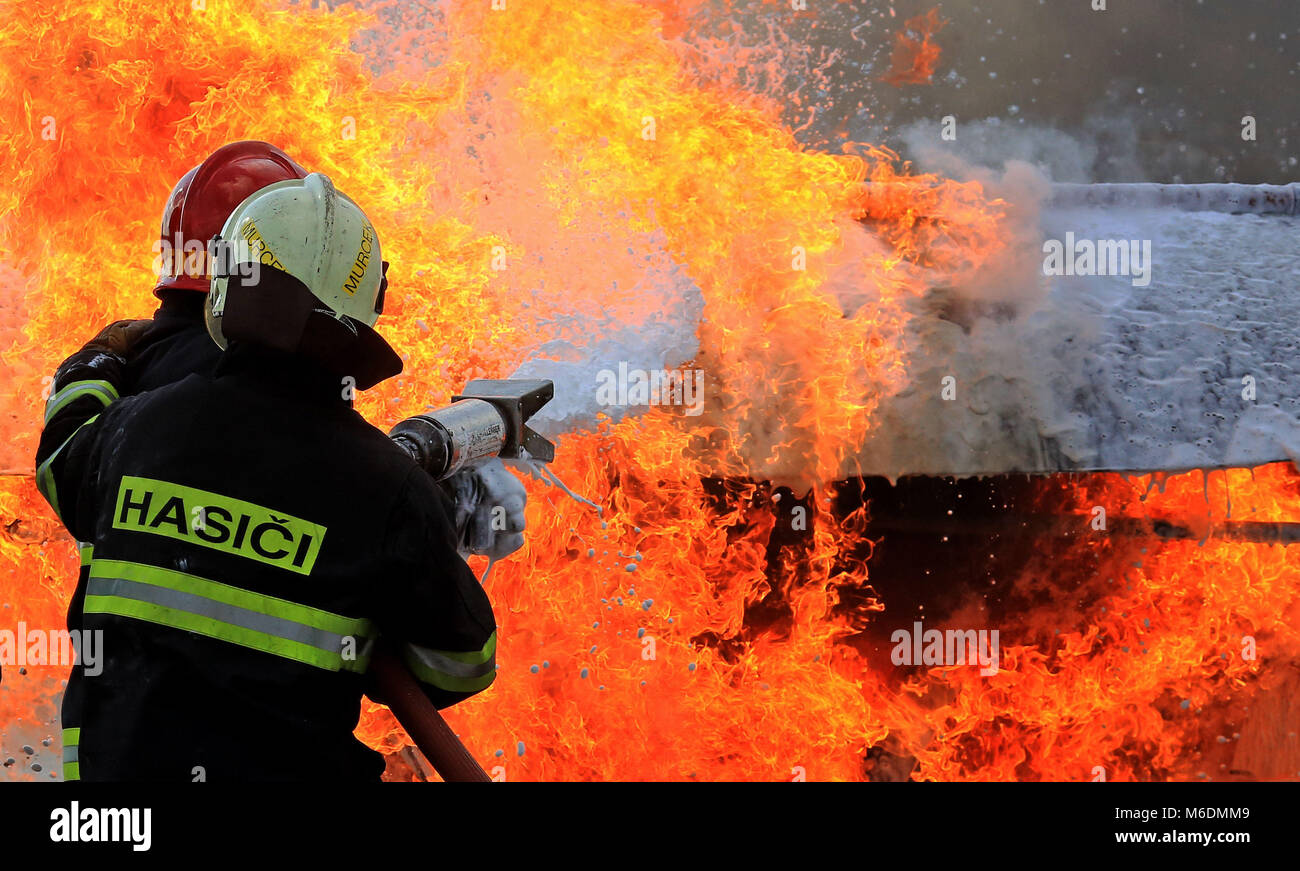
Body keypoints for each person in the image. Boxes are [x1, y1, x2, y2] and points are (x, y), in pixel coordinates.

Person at [35, 172, 517, 781]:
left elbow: (61, 462)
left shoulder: (137, 427)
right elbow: (460, 665)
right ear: (367, 309)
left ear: (226, 287)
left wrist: (94, 362)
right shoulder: (388, 488)